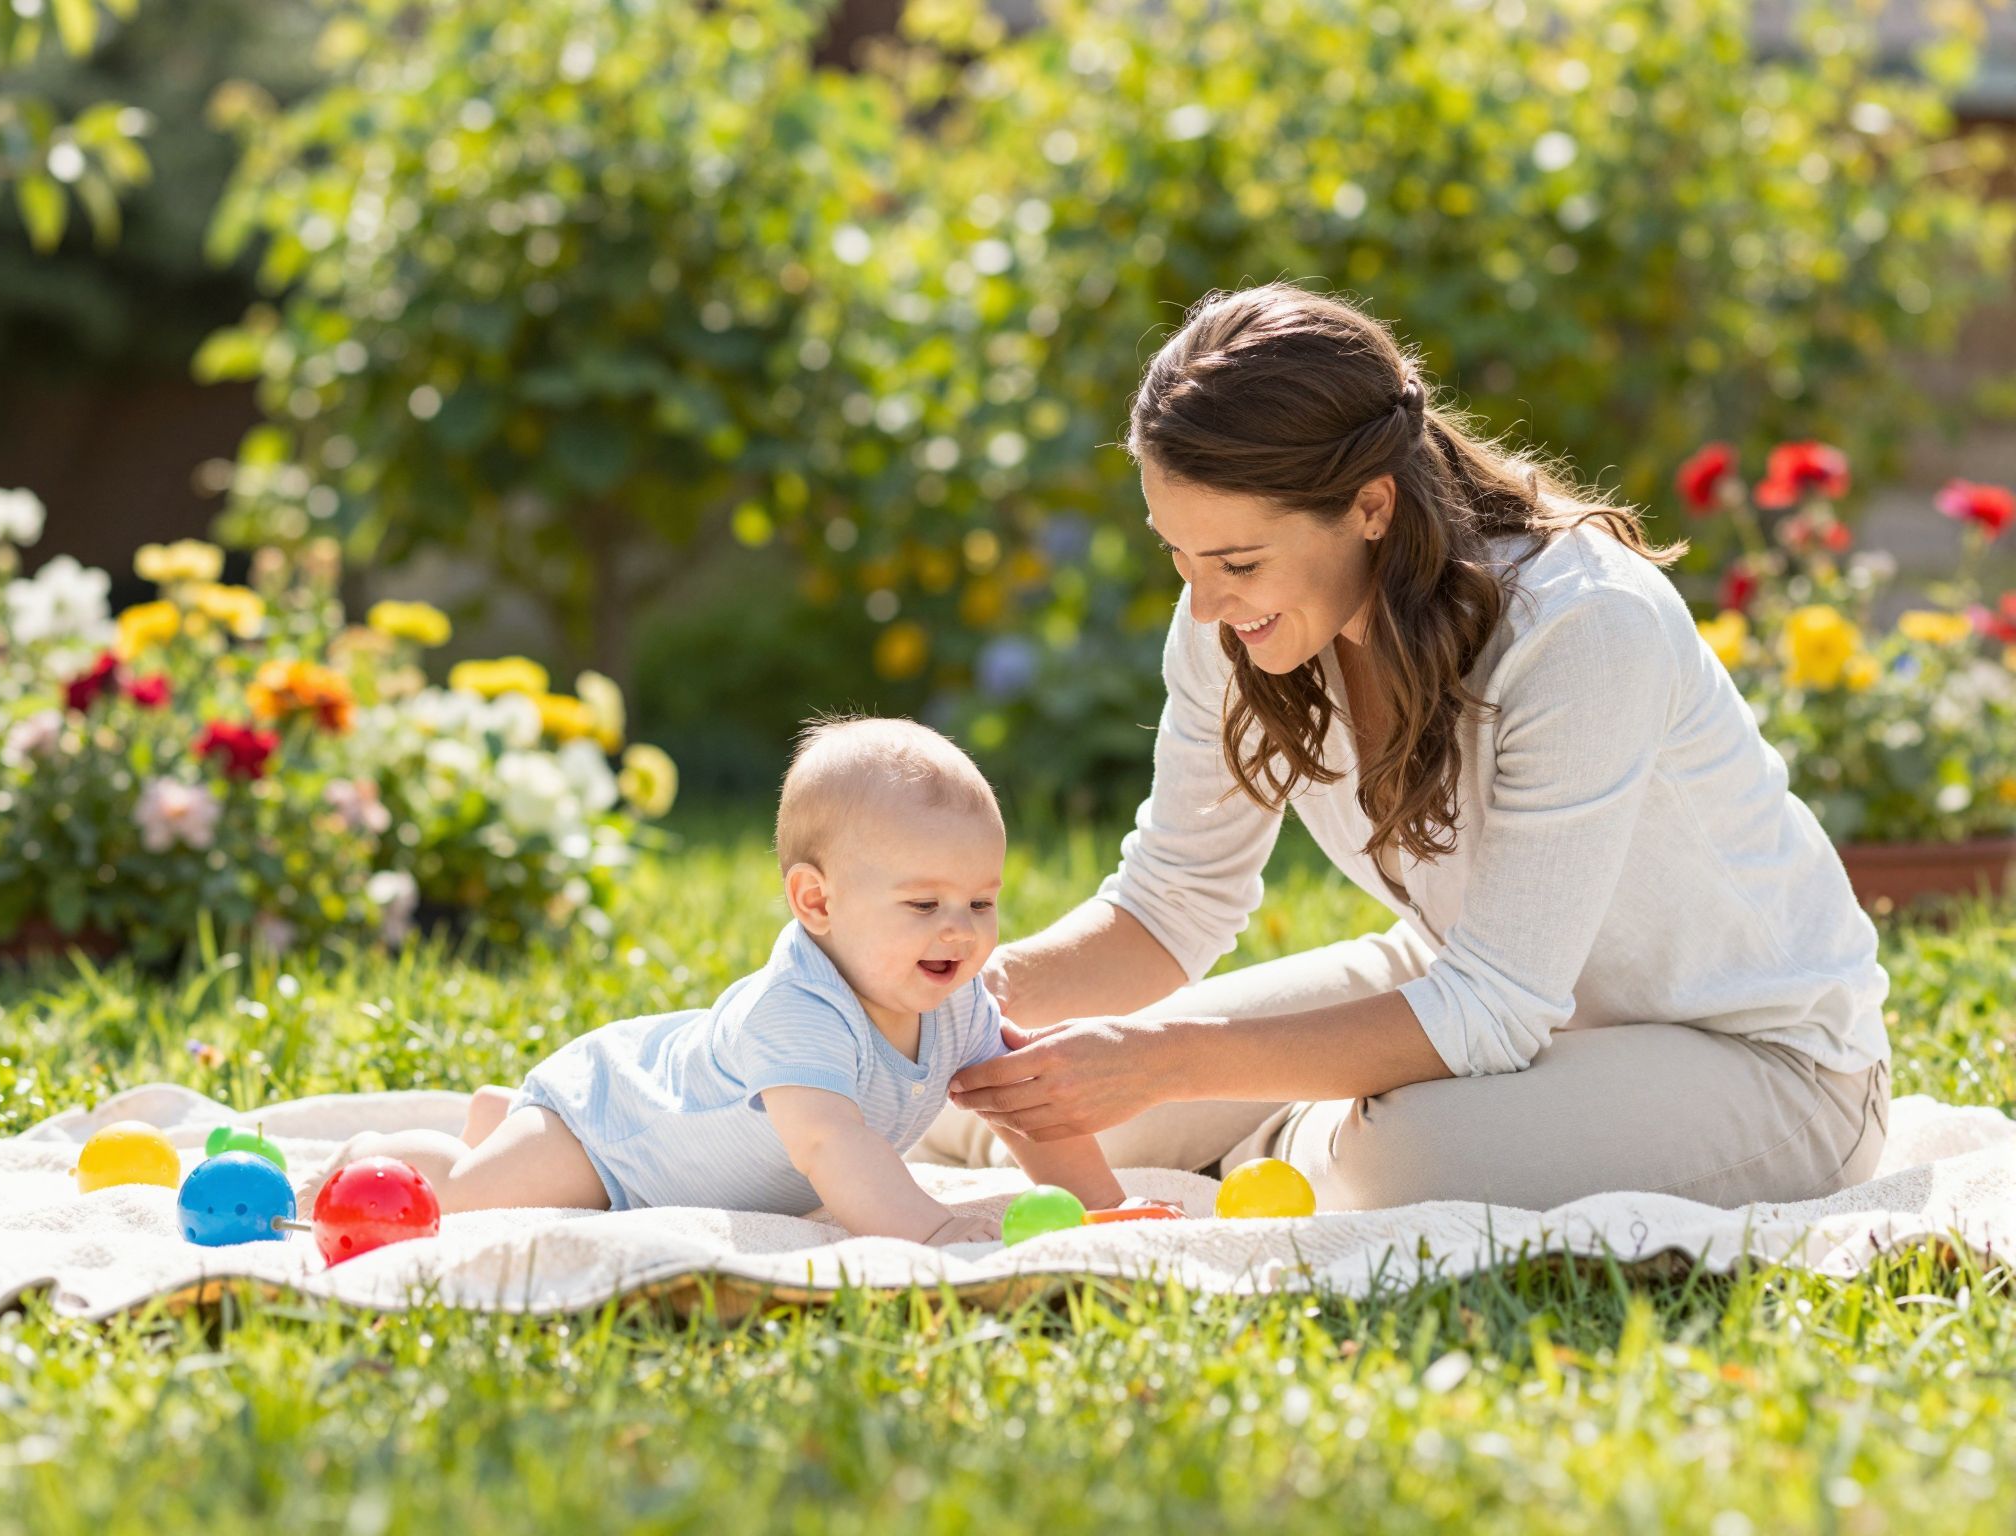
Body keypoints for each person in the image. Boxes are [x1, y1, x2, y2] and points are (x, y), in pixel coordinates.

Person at [912, 281, 1893, 1213]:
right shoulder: (1235, 617)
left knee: (1403, 1154)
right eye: (1178, 556)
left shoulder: (1580, 626)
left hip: (1757, 1060)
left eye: (1237, 561)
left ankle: (1305, 1138)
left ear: (1370, 507)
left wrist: (1168, 1059)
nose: (1204, 603)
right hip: (1467, 987)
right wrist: (932, 984)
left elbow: (1497, 1004)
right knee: (1100, 1106)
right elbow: (1169, 904)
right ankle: (1287, 1134)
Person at [310, 716, 1128, 1244]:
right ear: (817, 902)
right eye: (923, 903)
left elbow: (1024, 1101)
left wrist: (1103, 1207)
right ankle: (389, 1151)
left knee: (1012, 1083)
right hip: (615, 1137)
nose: (961, 928)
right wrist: (935, 1232)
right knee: (469, 1197)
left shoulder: (955, 999)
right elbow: (830, 1144)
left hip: (666, 1141)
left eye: (982, 900)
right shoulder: (797, 1009)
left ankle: (501, 1117)